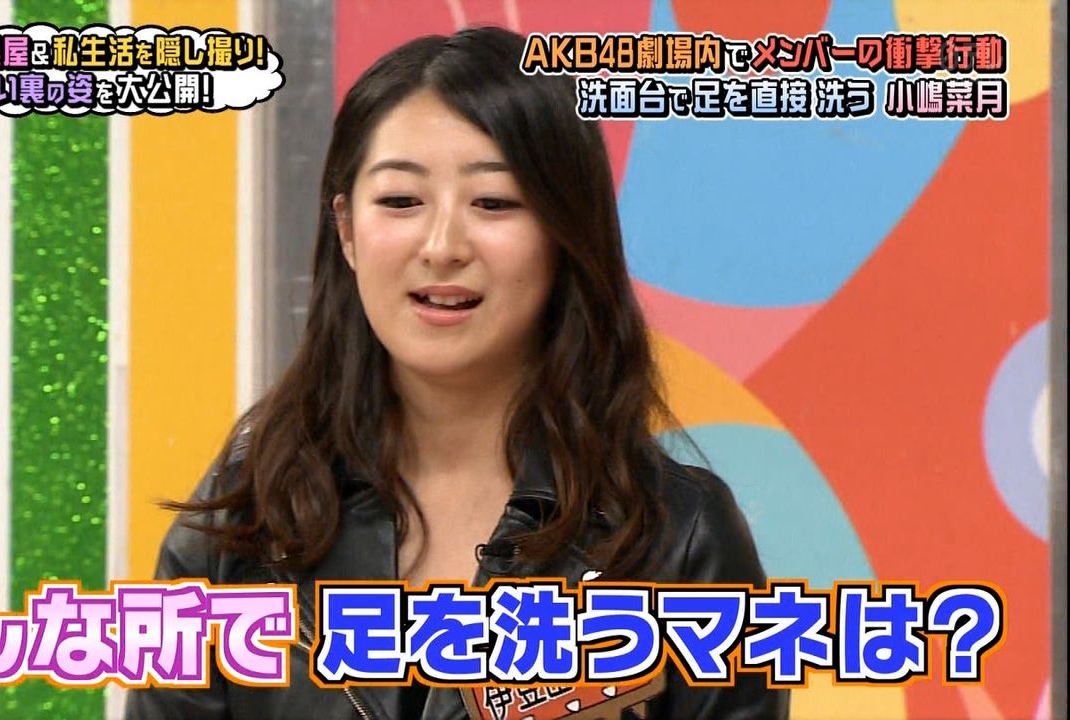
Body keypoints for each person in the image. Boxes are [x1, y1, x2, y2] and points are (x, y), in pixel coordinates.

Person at [127, 26, 787, 720]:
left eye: (493, 202)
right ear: (346, 229)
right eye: (401, 201)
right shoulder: (248, 513)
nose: (442, 247)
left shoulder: (678, 537)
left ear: (565, 233)